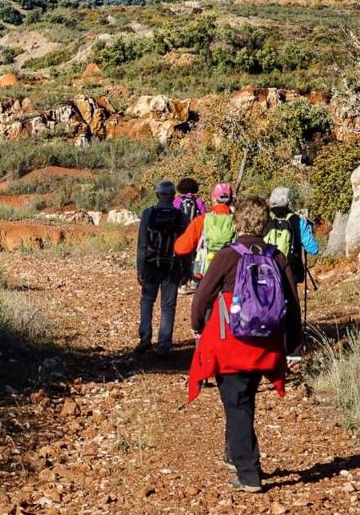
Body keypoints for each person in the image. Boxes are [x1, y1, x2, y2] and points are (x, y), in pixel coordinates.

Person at [187, 195, 302, 493]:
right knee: (244, 399)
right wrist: (294, 347)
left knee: (236, 403)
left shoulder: (228, 255)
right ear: (264, 223)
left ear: (239, 222)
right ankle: (234, 453)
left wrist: (197, 325)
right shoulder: (277, 256)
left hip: (231, 342)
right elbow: (293, 303)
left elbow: (202, 296)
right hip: (266, 342)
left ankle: (249, 473)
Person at [135, 180, 189, 357]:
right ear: (174, 196)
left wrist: (140, 269)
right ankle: (164, 345)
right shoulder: (181, 216)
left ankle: (145, 338)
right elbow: (185, 247)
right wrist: (186, 271)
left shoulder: (148, 213)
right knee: (168, 306)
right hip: (172, 266)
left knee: (147, 300)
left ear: (157, 195)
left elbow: (142, 244)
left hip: (151, 264)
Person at [174, 182, 235, 296]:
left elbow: (181, 248)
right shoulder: (239, 221)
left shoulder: (202, 220)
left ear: (213, 198)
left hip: (207, 275)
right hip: (232, 276)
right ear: (231, 199)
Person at [262, 186, 319, 286]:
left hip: (266, 270)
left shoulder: (263, 218)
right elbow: (313, 249)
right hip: (290, 273)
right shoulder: (298, 220)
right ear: (288, 201)